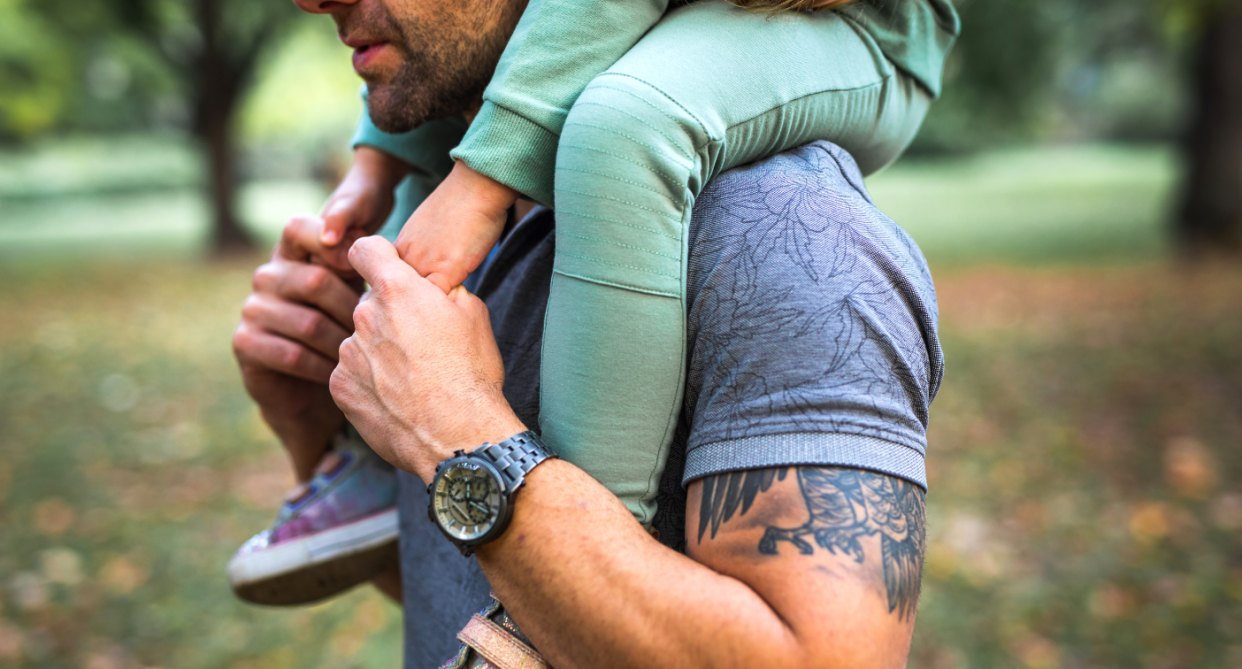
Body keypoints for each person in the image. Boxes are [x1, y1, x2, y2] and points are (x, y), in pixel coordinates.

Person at [232, 1, 944, 666]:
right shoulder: (478, 212)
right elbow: (477, 592)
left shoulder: (780, 240)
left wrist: (462, 438)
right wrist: (322, 421)